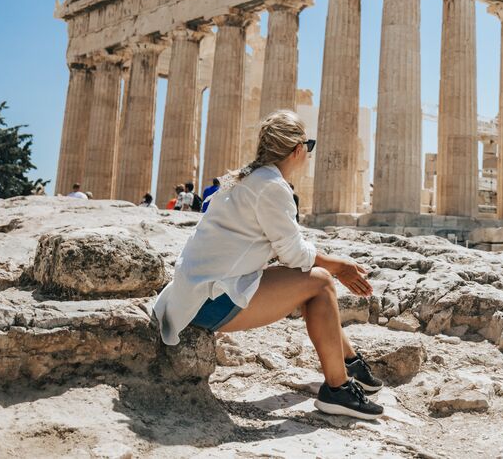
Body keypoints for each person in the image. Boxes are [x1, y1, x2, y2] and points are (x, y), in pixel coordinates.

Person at [153, 109, 384, 420]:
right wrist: (340, 266)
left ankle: (350, 362)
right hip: (208, 303)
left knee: (315, 278)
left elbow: (283, 250)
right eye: (309, 147)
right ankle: (338, 389)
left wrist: (331, 264)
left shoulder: (243, 179)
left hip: (192, 295)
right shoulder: (272, 187)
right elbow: (295, 256)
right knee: (320, 282)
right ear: (299, 149)